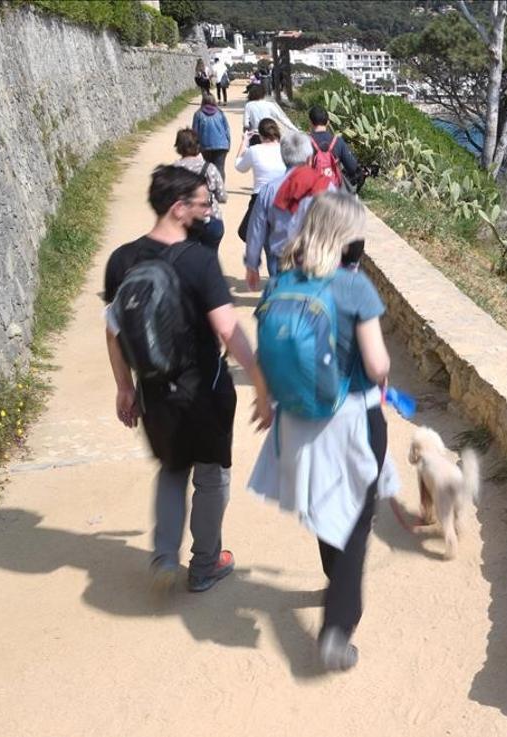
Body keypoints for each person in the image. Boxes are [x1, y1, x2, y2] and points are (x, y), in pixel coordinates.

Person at [103, 165, 273, 596]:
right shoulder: (199, 261)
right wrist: (259, 383)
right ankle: (204, 564)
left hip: (154, 391)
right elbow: (228, 330)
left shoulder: (122, 260)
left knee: (172, 469)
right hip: (204, 390)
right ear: (178, 208)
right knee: (211, 477)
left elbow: (113, 331)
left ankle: (164, 556)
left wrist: (125, 387)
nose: (208, 210)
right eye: (201, 203)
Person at [248, 192, 390, 671]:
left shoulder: (282, 281)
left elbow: (262, 352)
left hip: (298, 420)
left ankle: (335, 579)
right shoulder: (355, 287)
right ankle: (336, 629)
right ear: (349, 239)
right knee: (356, 520)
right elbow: (377, 364)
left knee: (325, 504)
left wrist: (264, 400)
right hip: (352, 419)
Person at [244, 131, 333, 290]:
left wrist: (252, 264)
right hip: (317, 260)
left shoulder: (269, 190)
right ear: (309, 159)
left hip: (281, 260)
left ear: (283, 158)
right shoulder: (327, 187)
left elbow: (256, 231)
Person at [173, 128, 228, 250]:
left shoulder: (174, 170)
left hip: (185, 221)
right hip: (210, 219)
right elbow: (222, 196)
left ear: (178, 147)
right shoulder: (209, 168)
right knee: (210, 257)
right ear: (198, 146)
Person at [234, 118, 285, 242]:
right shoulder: (285, 150)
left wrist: (244, 142)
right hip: (281, 196)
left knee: (245, 232)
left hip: (260, 197)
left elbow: (239, 166)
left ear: (260, 135)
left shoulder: (254, 150)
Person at [308, 105, 362, 187]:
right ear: (328, 122)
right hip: (334, 190)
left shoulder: (305, 141)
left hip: (312, 190)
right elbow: (352, 167)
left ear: (310, 122)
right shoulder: (338, 141)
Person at [191, 93, 231, 182]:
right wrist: (228, 143)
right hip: (222, 145)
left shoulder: (198, 114)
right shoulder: (220, 113)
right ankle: (220, 187)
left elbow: (194, 132)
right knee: (220, 168)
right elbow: (227, 129)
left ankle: (210, 186)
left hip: (205, 145)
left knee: (208, 167)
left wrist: (195, 147)